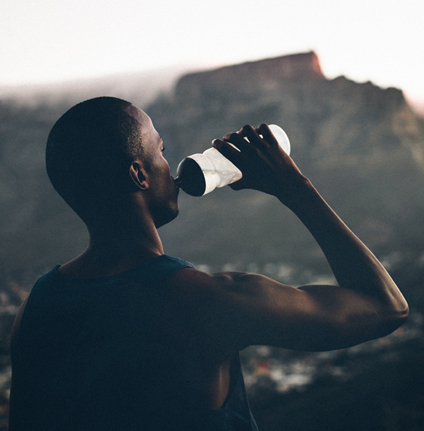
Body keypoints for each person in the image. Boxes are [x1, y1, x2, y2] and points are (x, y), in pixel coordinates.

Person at [9, 96, 408, 431]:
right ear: (139, 174)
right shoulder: (201, 300)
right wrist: (294, 187)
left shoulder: (36, 307)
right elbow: (385, 305)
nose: (169, 163)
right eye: (161, 151)